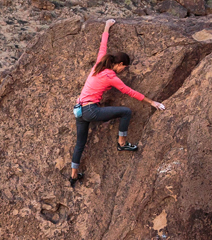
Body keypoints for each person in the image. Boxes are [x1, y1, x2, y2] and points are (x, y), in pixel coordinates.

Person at [69, 19, 165, 185]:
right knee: (126, 112)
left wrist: (107, 27)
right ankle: (122, 143)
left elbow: (103, 46)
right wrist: (152, 102)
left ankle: (73, 175)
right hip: (91, 111)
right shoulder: (111, 77)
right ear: (120, 64)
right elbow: (129, 92)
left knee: (80, 143)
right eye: (124, 68)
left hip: (79, 111)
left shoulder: (99, 64)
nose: (123, 71)